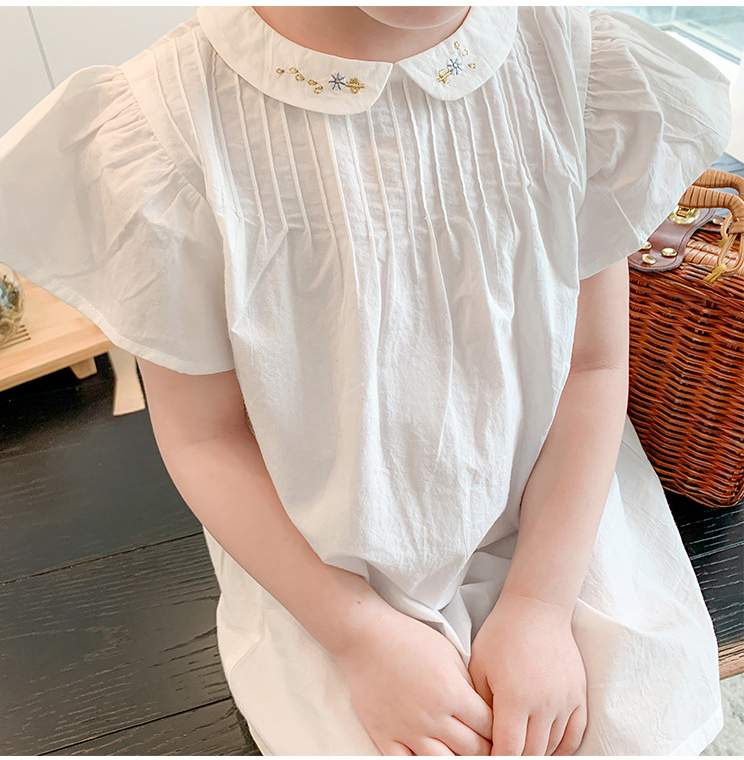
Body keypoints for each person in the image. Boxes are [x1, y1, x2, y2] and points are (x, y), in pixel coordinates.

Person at [0, 5, 732, 756]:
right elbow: (205, 437)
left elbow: (591, 365)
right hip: (324, 570)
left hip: (558, 519)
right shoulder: (167, 127)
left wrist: (540, 605)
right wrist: (361, 637)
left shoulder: (574, 65)